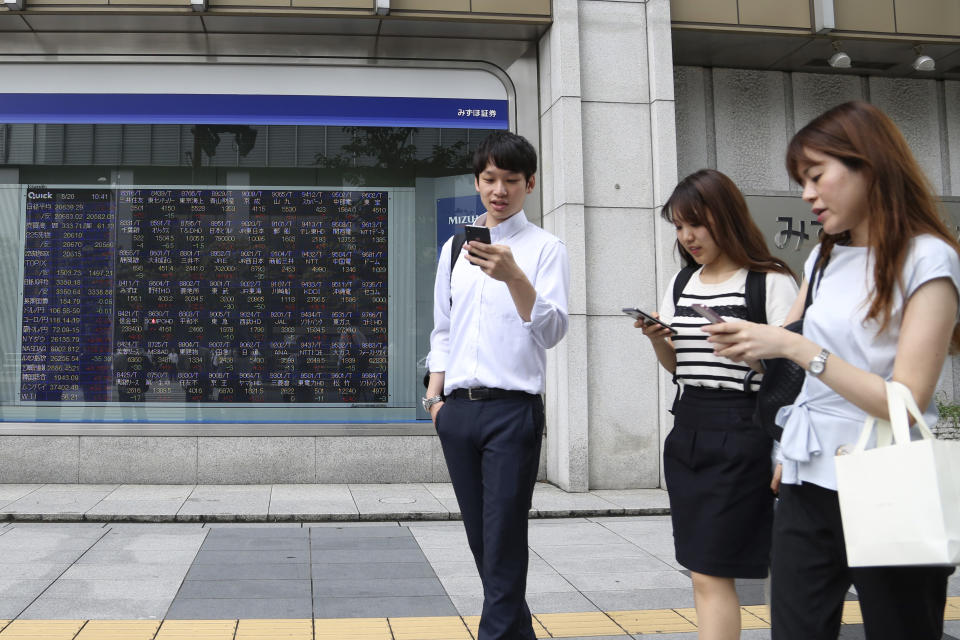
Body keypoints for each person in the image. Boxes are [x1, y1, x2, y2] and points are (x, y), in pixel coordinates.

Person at [704, 101, 959, 640]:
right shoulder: (823, 256)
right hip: (807, 477)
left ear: (868, 166)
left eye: (816, 176)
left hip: (890, 479)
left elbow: (904, 399)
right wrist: (749, 343)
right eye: (801, 180)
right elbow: (790, 351)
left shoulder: (929, 258)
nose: (806, 194)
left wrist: (797, 350)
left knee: (902, 630)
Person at [638, 169, 798, 640]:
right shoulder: (681, 283)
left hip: (744, 431)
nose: (687, 237)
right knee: (701, 568)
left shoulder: (769, 282)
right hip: (688, 430)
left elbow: (797, 371)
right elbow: (679, 368)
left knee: (715, 569)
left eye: (697, 224)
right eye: (679, 226)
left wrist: (751, 350)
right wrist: (657, 340)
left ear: (725, 218)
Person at [424, 131, 569, 640]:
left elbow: (552, 332)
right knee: (483, 542)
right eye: (490, 179)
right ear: (477, 183)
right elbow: (443, 328)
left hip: (513, 411)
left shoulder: (546, 249)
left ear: (530, 183)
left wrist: (514, 277)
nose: (499, 190)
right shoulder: (453, 249)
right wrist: (435, 398)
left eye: (511, 180)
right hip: (458, 413)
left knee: (504, 536)